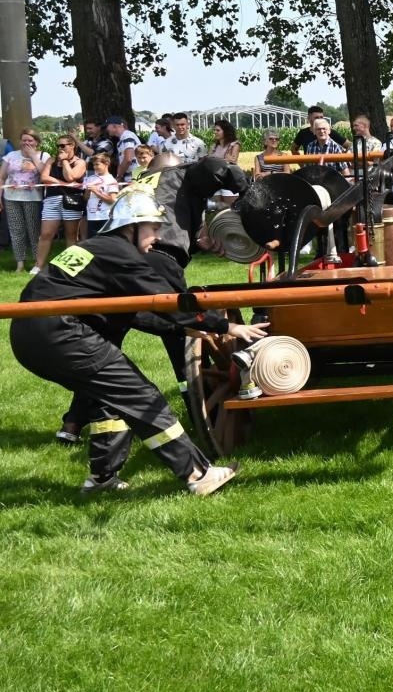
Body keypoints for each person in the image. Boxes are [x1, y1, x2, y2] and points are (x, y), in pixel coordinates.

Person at [11, 187, 268, 495]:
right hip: (63, 334)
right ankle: (198, 474)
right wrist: (225, 325)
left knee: (108, 400)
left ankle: (101, 480)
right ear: (130, 227)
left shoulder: (97, 248)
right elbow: (168, 301)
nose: (157, 237)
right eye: (153, 228)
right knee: (142, 396)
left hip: (28, 336)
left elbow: (131, 314)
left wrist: (183, 330)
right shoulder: (121, 254)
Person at [36, 131, 87, 271]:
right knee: (46, 234)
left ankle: (70, 267)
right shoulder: (51, 160)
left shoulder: (80, 162)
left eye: (63, 145)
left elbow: (71, 177)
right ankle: (38, 266)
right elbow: (44, 178)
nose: (60, 148)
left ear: (72, 146)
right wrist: (62, 183)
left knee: (71, 235)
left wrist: (64, 161)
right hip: (52, 200)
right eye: (58, 145)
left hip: (72, 200)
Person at [83, 152, 118, 237]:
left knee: (105, 242)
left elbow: (112, 200)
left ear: (106, 164)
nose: (95, 167)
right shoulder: (90, 179)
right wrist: (88, 191)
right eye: (94, 165)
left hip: (105, 217)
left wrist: (96, 191)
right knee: (93, 243)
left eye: (97, 164)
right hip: (91, 217)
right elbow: (85, 198)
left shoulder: (111, 180)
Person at [103, 115, 140, 181]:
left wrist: (119, 176)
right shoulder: (121, 140)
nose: (106, 129)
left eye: (107, 126)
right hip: (131, 177)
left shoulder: (127, 136)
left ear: (114, 126)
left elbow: (128, 159)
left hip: (135, 176)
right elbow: (123, 161)